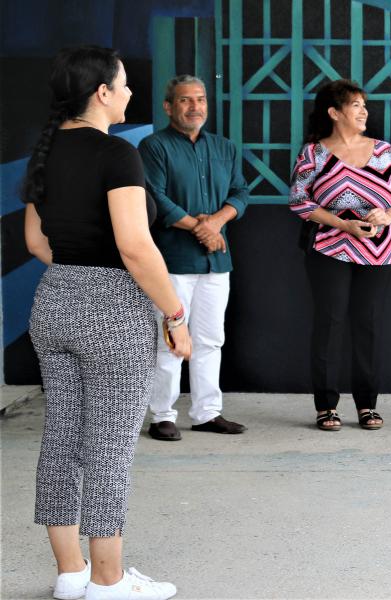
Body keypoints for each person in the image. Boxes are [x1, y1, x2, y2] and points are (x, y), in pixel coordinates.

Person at [21, 45, 190, 600]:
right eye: (124, 84)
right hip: (114, 311)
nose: (131, 93)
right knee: (109, 448)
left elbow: (36, 241)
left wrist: (79, 271)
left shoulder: (45, 153)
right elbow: (136, 247)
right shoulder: (119, 155)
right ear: (102, 93)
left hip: (56, 301)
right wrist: (173, 313)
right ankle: (109, 581)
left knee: (62, 440)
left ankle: (72, 575)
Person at [288, 79, 391, 431]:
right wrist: (343, 226)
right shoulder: (313, 153)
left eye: (363, 105)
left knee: (368, 324)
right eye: (356, 105)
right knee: (329, 323)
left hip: (378, 250)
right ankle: (326, 406)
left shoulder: (383, 150)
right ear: (334, 112)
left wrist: (387, 215)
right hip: (329, 248)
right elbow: (299, 201)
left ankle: (367, 405)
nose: (364, 111)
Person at [139, 75, 249, 441]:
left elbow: (240, 192)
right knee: (170, 339)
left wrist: (215, 223)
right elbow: (154, 197)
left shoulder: (225, 147)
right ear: (169, 106)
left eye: (200, 99)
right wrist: (199, 228)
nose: (195, 107)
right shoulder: (154, 147)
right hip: (173, 261)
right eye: (185, 100)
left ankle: (206, 413)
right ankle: (162, 416)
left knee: (210, 340)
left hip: (216, 262)